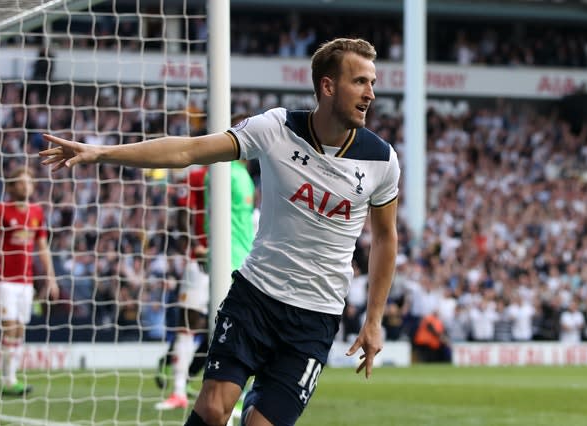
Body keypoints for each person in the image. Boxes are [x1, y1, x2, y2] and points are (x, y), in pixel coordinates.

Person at [40, 37, 400, 426]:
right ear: (328, 86)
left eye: (372, 83)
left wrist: (374, 319)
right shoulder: (276, 128)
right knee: (212, 409)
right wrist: (102, 153)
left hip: (316, 317)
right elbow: (188, 151)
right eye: (361, 82)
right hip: (256, 297)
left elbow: (384, 237)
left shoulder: (382, 160)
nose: (371, 94)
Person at [155, 113, 256, 411]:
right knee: (193, 321)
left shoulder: (240, 176)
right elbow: (182, 202)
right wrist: (194, 243)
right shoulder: (217, 173)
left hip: (234, 261)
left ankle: (225, 395)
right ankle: (179, 390)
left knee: (225, 328)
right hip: (211, 260)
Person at [0, 166, 59, 396]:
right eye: (21, 182)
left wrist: (51, 277)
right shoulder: (1, 209)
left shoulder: (36, 212)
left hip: (26, 281)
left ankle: (10, 377)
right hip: (3, 278)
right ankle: (8, 380)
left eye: (29, 182)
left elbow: (42, 247)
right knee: (10, 327)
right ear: (12, 187)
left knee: (20, 329)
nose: (26, 186)